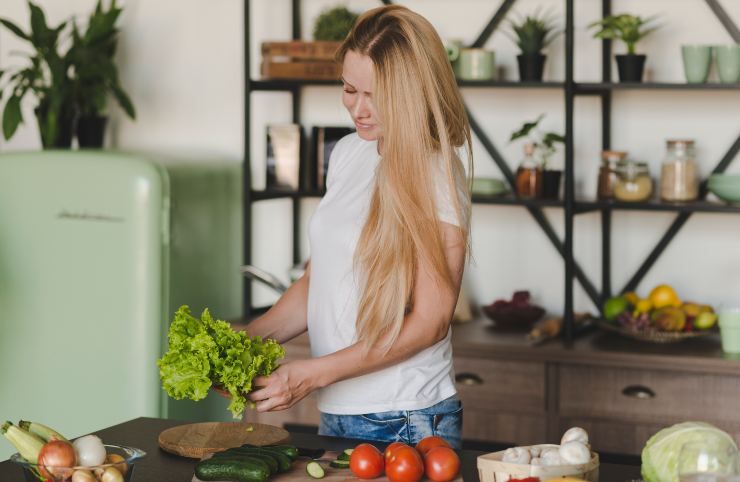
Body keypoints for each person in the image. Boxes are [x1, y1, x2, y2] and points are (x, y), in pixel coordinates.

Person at [241, 4, 472, 449]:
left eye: (376, 95)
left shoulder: (435, 172)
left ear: (411, 92)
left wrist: (311, 373)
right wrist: (248, 342)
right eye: (349, 89)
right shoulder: (350, 152)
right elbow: (320, 280)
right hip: (340, 409)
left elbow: (431, 320)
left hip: (405, 416)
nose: (358, 109)